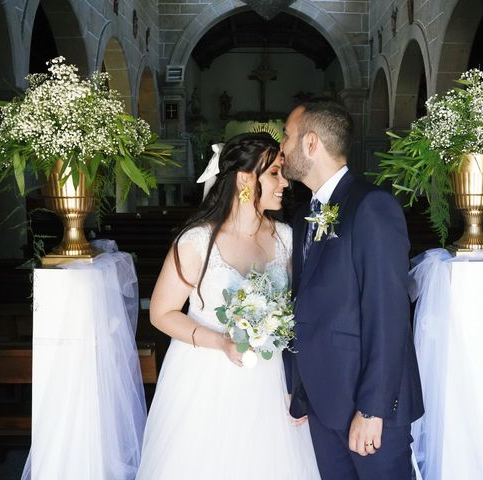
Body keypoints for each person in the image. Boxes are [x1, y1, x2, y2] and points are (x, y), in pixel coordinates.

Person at [136, 132, 320, 479]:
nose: (284, 183)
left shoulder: (286, 238)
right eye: (275, 173)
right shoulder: (197, 241)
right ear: (244, 179)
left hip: (270, 380)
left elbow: (303, 311)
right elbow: (161, 313)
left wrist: (297, 385)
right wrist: (220, 341)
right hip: (206, 379)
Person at [280, 101, 424, 480]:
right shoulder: (302, 216)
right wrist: (300, 391)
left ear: (311, 143)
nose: (282, 147)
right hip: (322, 403)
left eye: (287, 136)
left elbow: (389, 314)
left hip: (368, 407)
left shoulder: (371, 206)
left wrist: (372, 409)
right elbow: (305, 304)